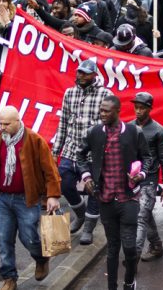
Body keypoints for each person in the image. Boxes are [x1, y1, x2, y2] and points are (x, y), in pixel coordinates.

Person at [0, 106, 61, 290]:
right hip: (1, 198)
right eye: (0, 123)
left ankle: (41, 258)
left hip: (27, 198)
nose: (2, 127)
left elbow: (50, 169)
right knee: (4, 239)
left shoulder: (34, 140)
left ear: (18, 121)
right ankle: (9, 278)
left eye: (7, 124)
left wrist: (53, 195)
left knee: (29, 237)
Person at [77, 95, 152, 290]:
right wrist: (87, 177)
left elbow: (147, 158)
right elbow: (80, 156)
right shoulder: (94, 132)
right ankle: (112, 286)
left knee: (129, 248)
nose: (102, 114)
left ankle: (129, 282)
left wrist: (141, 174)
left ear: (117, 111)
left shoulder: (134, 132)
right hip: (105, 198)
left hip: (128, 198)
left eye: (106, 111)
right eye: (101, 110)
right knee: (112, 248)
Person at [54, 59, 112, 245]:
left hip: (93, 154)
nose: (80, 75)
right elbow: (63, 123)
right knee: (64, 183)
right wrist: (56, 150)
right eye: (79, 72)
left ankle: (88, 227)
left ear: (94, 75)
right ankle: (79, 214)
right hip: (71, 149)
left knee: (94, 190)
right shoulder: (69, 94)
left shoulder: (106, 95)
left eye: (85, 73)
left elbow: (110, 127)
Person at [130, 93, 163, 262]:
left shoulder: (159, 130)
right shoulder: (129, 127)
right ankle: (156, 246)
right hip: (131, 179)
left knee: (140, 216)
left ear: (149, 109)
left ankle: (133, 257)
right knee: (144, 214)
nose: (138, 111)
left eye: (142, 108)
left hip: (150, 179)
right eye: (136, 107)